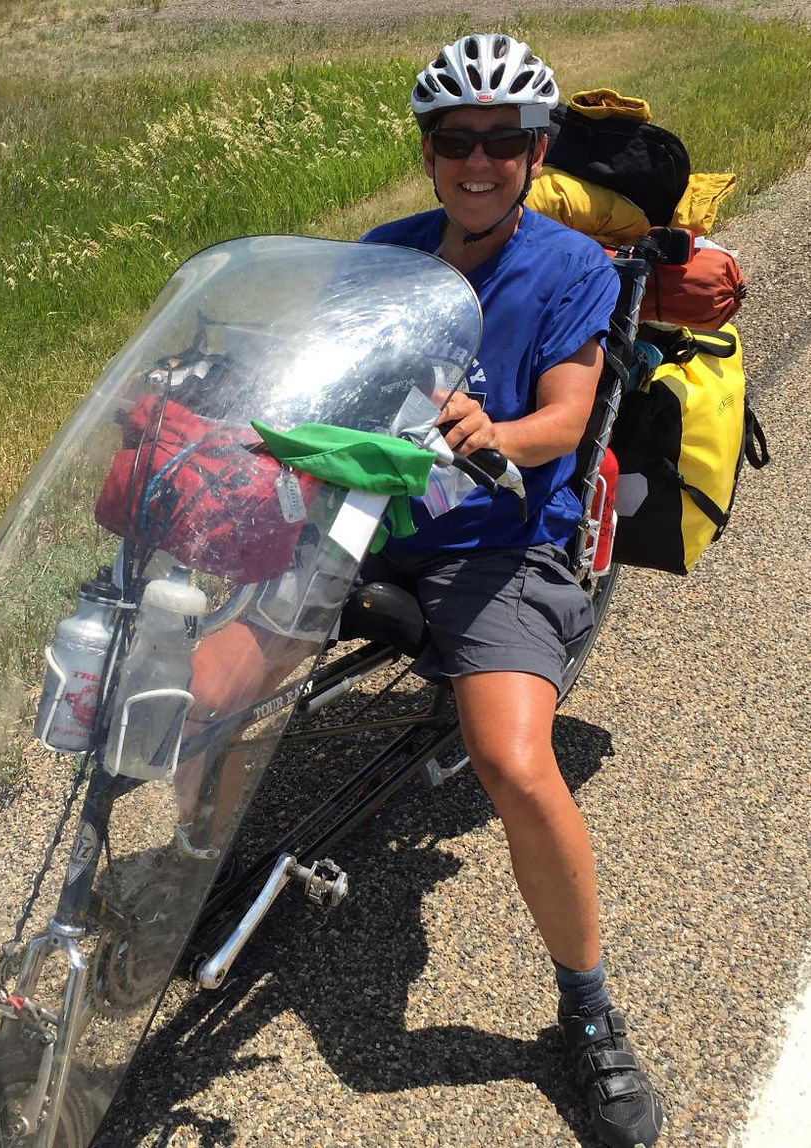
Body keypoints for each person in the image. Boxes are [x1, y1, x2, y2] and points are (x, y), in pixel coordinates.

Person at [356, 33, 664, 1148]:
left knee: (514, 763)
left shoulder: (571, 268)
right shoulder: (384, 254)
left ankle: (586, 1011)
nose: (477, 162)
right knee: (202, 674)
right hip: (368, 517)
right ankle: (169, 893)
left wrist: (496, 432)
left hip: (496, 538)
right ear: (429, 152)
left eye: (503, 141)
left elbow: (567, 420)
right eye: (456, 140)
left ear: (535, 154)